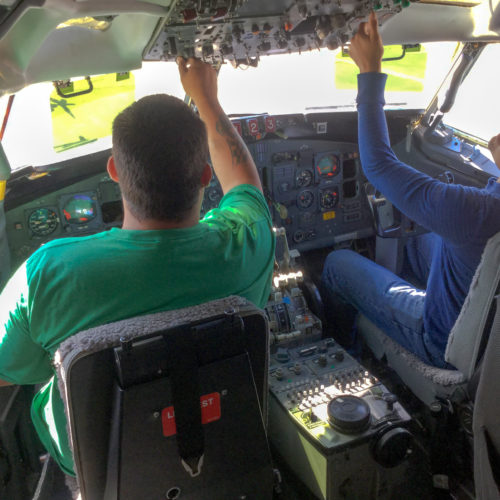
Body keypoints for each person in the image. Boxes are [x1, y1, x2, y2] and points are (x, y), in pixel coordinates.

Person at [0, 59, 275, 475]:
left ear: (114, 172)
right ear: (204, 176)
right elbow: (244, 184)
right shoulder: (246, 241)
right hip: (219, 456)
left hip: (101, 475)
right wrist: (206, 98)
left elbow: (5, 371)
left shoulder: (47, 273)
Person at [321, 12, 500, 368]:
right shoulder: (478, 209)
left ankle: (348, 358)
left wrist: (369, 71)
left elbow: (378, 166)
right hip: (485, 333)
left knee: (336, 263)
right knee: (417, 237)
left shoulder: (475, 212)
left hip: (445, 341)